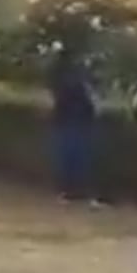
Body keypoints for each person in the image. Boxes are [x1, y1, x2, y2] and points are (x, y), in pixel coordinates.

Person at [48, 39, 101, 206]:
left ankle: (70, 192)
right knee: (75, 158)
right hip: (73, 120)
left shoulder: (64, 73)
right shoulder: (72, 75)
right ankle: (73, 192)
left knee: (74, 158)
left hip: (74, 120)